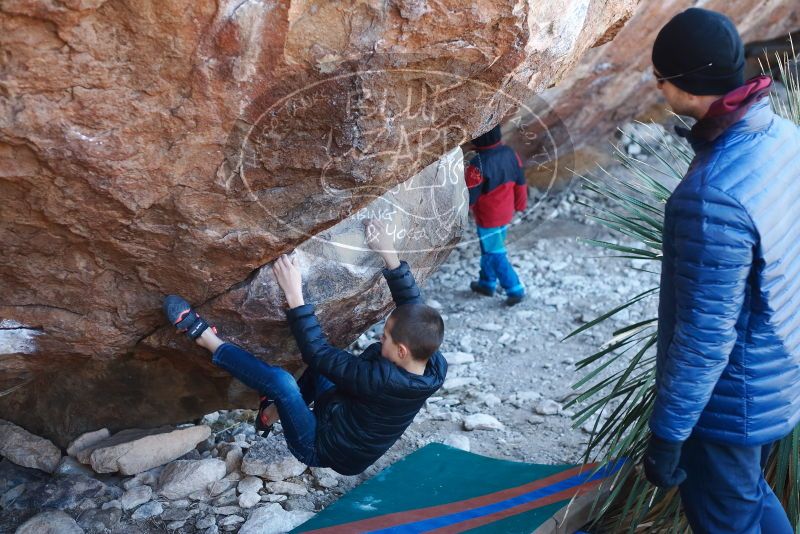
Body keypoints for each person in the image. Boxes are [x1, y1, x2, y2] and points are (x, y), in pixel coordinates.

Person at [642, 8, 800, 533]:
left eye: (660, 75)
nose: (657, 85)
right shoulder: (782, 137)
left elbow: (705, 336)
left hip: (729, 402)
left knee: (727, 518)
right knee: (748, 496)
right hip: (779, 366)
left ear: (687, 87)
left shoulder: (711, 195)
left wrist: (667, 433)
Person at [162, 219, 447, 475]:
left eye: (385, 337)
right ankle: (270, 414)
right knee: (328, 362)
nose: (379, 338)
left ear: (401, 352)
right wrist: (390, 256)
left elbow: (317, 353)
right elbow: (413, 308)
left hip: (320, 447)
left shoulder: (380, 381)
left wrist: (294, 294)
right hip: (340, 411)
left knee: (282, 383)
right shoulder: (432, 362)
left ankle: (204, 337)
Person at [464, 124, 528, 306]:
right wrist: (521, 204)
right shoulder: (510, 153)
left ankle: (515, 288)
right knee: (490, 249)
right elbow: (521, 181)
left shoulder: (478, 164)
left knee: (494, 252)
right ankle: (486, 283)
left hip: (488, 218)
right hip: (506, 212)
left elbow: (470, 195)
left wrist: (458, 215)